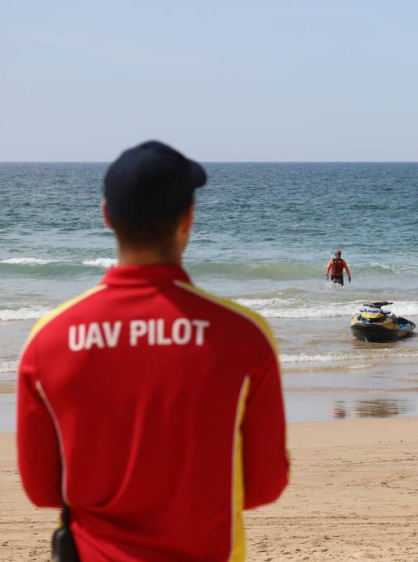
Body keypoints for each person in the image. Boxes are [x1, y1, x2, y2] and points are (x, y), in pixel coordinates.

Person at [17, 141, 289, 561]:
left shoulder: (49, 339)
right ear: (188, 218)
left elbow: (42, 490)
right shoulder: (243, 335)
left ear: (107, 216)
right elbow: (265, 485)